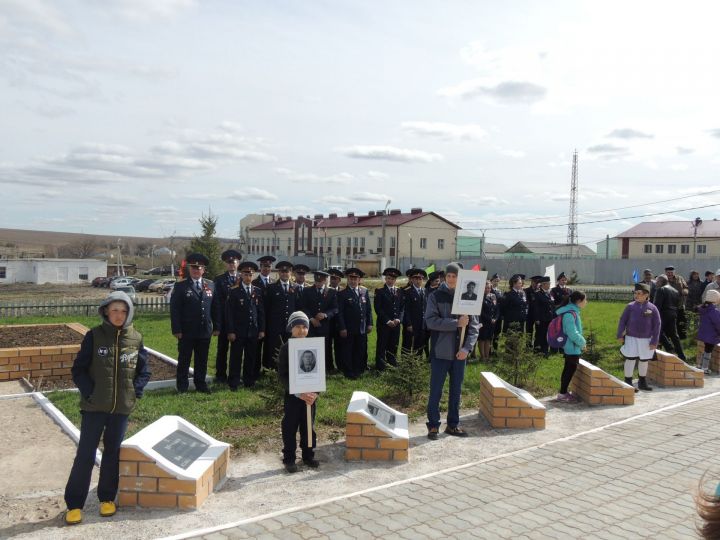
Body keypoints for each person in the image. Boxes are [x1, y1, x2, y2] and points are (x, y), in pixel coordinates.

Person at [63, 291, 150, 525]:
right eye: (115, 310)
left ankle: (107, 498)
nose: (119, 315)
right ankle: (74, 504)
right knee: (86, 454)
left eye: (123, 311)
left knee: (112, 454)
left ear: (129, 312)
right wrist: (89, 393)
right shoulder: (94, 336)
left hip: (121, 409)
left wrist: (135, 392)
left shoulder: (135, 338)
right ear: (106, 312)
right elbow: (78, 370)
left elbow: (144, 371)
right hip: (94, 408)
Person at [425, 262, 480, 440]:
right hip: (440, 352)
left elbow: (474, 328)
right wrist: (455, 323)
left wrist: (466, 348)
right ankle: (433, 425)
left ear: (460, 277)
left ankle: (453, 424)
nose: (450, 279)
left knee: (456, 391)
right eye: (448, 276)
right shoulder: (436, 296)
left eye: (454, 276)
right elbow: (431, 321)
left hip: (459, 354)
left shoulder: (468, 298)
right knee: (436, 390)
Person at [170, 253, 218, 394]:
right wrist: (176, 329)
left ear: (204, 270)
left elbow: (215, 307)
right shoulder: (180, 286)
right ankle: (182, 386)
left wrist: (217, 326)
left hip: (204, 330)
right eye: (194, 268)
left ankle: (200, 384)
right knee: (184, 359)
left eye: (199, 268)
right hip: (186, 331)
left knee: (202, 360)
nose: (196, 270)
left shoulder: (210, 285)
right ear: (189, 269)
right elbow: (175, 310)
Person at [277, 311, 319, 473]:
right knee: (290, 426)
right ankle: (289, 458)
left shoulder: (314, 346)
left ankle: (308, 455)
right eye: (297, 327)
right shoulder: (286, 348)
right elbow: (283, 375)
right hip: (293, 398)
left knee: (309, 427)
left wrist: (315, 393)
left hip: (310, 398)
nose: (301, 331)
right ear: (291, 328)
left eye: (304, 327)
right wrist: (297, 392)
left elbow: (319, 372)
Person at [226, 261, 265, 389]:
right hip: (238, 331)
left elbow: (260, 312)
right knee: (236, 357)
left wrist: (261, 329)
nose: (248, 277)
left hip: (253, 330)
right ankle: (234, 381)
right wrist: (230, 331)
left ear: (253, 275)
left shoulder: (257, 291)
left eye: (250, 274)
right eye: (245, 274)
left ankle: (249, 380)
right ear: (241, 275)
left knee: (251, 357)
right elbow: (229, 313)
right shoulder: (234, 291)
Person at [617, 283, 661, 392]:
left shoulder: (652, 308)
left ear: (646, 295)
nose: (636, 295)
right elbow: (623, 320)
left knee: (644, 360)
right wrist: (620, 334)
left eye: (639, 293)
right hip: (631, 338)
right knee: (630, 359)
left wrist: (654, 341)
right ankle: (628, 382)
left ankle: (642, 382)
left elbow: (657, 325)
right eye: (635, 293)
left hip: (646, 340)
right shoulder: (630, 307)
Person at [336, 267, 373, 379]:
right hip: (349, 328)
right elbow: (340, 313)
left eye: (355, 279)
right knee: (348, 349)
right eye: (351, 278)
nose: (353, 281)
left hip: (362, 327)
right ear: (348, 279)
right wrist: (342, 327)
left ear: (359, 280)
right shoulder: (342, 294)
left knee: (360, 349)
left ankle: (359, 369)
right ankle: (349, 371)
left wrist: (370, 323)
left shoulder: (364, 291)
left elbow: (368, 309)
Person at [212, 249, 241, 384]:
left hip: (238, 322)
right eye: (229, 262)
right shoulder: (219, 280)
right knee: (222, 350)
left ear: (237, 263)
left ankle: (234, 376)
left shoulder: (243, 278)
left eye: (233, 262)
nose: (231, 265)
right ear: (225, 264)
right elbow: (216, 303)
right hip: (224, 321)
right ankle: (220, 375)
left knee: (237, 351)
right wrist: (217, 324)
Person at [300, 270, 338, 371]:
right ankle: (312, 368)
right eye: (316, 281)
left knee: (326, 347)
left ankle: (326, 367)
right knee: (311, 347)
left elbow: (335, 308)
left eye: (320, 282)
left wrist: (325, 315)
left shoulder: (332, 292)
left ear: (325, 281)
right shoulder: (306, 291)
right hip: (311, 325)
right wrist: (311, 319)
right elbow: (303, 307)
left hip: (325, 325)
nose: (318, 284)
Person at [262, 261, 298, 371]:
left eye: (286, 271)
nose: (284, 274)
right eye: (282, 271)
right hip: (275, 326)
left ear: (291, 272)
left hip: (290, 326)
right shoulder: (271, 287)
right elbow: (266, 309)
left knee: (290, 350)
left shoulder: (295, 287)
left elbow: (298, 307)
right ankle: (272, 373)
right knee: (274, 349)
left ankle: (287, 372)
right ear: (278, 272)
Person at [555, 291, 588, 403]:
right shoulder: (570, 314)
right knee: (569, 370)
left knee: (568, 369)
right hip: (572, 347)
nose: (586, 302)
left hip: (571, 346)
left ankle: (563, 392)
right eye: (585, 300)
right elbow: (572, 333)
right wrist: (582, 342)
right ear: (578, 301)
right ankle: (563, 394)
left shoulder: (572, 311)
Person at [374, 267, 404, 371]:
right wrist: (387, 321)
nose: (390, 280)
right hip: (384, 324)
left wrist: (398, 319)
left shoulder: (399, 291)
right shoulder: (380, 291)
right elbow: (378, 308)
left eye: (392, 279)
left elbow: (402, 308)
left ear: (395, 280)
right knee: (382, 345)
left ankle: (392, 364)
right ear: (385, 279)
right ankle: (380, 367)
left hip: (396, 324)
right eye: (388, 278)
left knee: (393, 345)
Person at [252, 255, 275, 380]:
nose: (266, 268)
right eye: (264, 266)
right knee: (256, 348)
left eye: (269, 266)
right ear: (260, 267)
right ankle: (255, 372)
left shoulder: (274, 282)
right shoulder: (254, 283)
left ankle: (267, 371)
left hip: (271, 322)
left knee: (269, 348)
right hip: (258, 321)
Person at [654, 274, 686, 360]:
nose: (656, 283)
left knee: (657, 332)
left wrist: (653, 315)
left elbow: (657, 305)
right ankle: (681, 355)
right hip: (673, 314)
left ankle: (669, 348)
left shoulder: (660, 290)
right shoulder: (675, 291)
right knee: (674, 335)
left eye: (657, 281)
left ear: (661, 281)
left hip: (662, 314)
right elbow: (678, 303)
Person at [402, 268, 428, 355]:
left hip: (422, 324)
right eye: (416, 278)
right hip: (411, 324)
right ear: (412, 279)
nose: (418, 281)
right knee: (407, 345)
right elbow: (406, 310)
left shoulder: (424, 292)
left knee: (419, 345)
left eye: (420, 278)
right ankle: (406, 364)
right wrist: (408, 324)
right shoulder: (407, 291)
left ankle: (417, 364)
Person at [697, 289, 720, 374]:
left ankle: (700, 365)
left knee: (706, 349)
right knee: (708, 351)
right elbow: (718, 324)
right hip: (712, 335)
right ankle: (704, 367)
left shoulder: (703, 309)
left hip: (704, 333)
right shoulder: (714, 311)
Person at [532, 276, 556, 355]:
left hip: (549, 318)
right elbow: (535, 308)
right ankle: (537, 351)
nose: (549, 285)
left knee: (547, 335)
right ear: (543, 284)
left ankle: (545, 350)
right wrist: (537, 319)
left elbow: (552, 306)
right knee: (540, 335)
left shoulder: (550, 293)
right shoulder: (538, 294)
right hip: (541, 319)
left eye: (549, 283)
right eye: (548, 284)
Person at [476, 281, 499, 360]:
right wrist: (490, 319)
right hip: (483, 321)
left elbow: (497, 309)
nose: (487, 289)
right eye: (486, 288)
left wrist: (495, 318)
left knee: (488, 339)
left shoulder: (493, 296)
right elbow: (480, 311)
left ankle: (487, 356)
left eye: (489, 288)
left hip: (492, 322)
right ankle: (482, 357)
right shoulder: (480, 297)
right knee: (482, 339)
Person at [665, 265, 689, 338]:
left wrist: (685, 291)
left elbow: (685, 287)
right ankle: (669, 336)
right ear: (665, 272)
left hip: (680, 305)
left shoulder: (680, 278)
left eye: (671, 272)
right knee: (669, 322)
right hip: (668, 305)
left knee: (681, 321)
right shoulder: (663, 279)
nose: (670, 274)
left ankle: (682, 336)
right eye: (668, 273)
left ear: (674, 272)